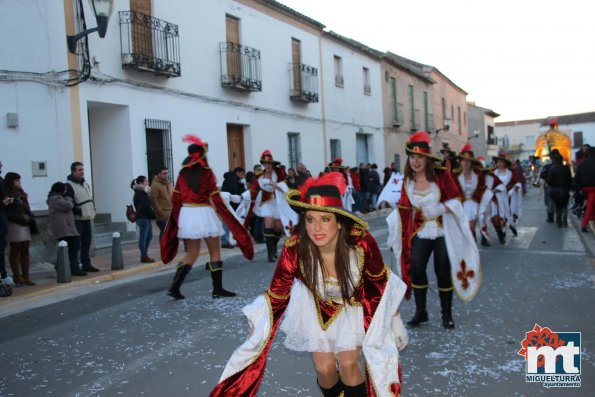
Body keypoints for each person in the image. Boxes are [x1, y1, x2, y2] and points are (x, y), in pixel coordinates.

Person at [210, 172, 408, 397]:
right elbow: (277, 293)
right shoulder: (295, 248)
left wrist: (394, 319)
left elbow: (380, 281)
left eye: (325, 219)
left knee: (348, 364)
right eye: (310, 219)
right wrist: (260, 324)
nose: (316, 228)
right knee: (324, 369)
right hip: (315, 308)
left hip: (353, 308)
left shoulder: (361, 243)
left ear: (340, 223)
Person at [387, 131, 480, 330]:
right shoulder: (408, 181)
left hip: (442, 230)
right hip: (421, 231)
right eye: (412, 157)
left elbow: (457, 198)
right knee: (417, 266)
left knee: (443, 270)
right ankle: (421, 311)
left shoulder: (440, 175)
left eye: (419, 157)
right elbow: (404, 208)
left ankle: (447, 314)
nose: (415, 161)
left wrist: (441, 208)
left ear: (427, 159)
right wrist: (394, 230)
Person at [161, 135, 253, 300]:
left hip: (187, 214)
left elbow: (175, 198)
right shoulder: (207, 173)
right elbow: (215, 197)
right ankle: (217, 289)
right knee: (215, 251)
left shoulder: (182, 173)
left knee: (192, 253)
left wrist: (177, 218)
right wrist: (225, 213)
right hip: (204, 211)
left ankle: (174, 287)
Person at [245, 150, 293, 263]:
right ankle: (270, 252)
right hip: (266, 202)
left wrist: (274, 184)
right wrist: (243, 199)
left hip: (278, 202)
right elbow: (253, 191)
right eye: (265, 164)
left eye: (269, 164)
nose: (267, 166)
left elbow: (285, 189)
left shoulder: (279, 173)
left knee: (278, 228)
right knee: (268, 221)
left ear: (272, 164)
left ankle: (274, 245)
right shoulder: (259, 177)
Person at [452, 143, 498, 245]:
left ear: (472, 163)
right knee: (464, 231)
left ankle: (471, 249)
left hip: (474, 205)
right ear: (460, 161)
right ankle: (471, 249)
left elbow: (483, 188)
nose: (465, 163)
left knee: (469, 228)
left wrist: (485, 201)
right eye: (463, 160)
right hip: (460, 205)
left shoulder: (478, 174)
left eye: (468, 161)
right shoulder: (455, 174)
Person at [47, 182, 86, 276]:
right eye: (64, 189)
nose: (66, 191)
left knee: (73, 247)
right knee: (69, 247)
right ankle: (68, 267)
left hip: (68, 227)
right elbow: (68, 206)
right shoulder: (55, 198)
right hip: (63, 228)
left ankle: (69, 266)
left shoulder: (59, 198)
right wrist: (69, 198)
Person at [66, 162, 99, 272]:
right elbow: (69, 202)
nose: (82, 172)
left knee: (87, 243)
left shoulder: (85, 184)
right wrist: (77, 210)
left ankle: (86, 263)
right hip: (77, 219)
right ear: (73, 171)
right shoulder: (69, 185)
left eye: (82, 169)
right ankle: (74, 266)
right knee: (76, 245)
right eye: (79, 170)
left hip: (87, 217)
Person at [4, 172, 35, 285]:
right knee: (15, 248)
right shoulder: (8, 194)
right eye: (16, 181)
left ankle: (26, 276)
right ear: (11, 181)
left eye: (19, 180)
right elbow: (6, 208)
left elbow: (25, 206)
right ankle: (17, 276)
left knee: (25, 248)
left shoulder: (21, 193)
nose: (19, 183)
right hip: (14, 223)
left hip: (24, 222)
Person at [491, 152, 523, 244]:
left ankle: (511, 226)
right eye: (498, 162)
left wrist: (513, 190)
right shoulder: (493, 172)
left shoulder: (511, 173)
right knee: (497, 216)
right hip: (495, 197)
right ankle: (501, 233)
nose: (499, 164)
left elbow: (517, 183)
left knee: (507, 215)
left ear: (505, 163)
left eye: (501, 162)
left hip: (507, 197)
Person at [131, 175, 157, 263]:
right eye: (146, 181)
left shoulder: (143, 192)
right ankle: (144, 256)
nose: (148, 183)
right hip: (142, 218)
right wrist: (154, 215)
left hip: (146, 217)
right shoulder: (140, 193)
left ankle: (144, 254)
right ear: (141, 183)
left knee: (149, 236)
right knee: (144, 237)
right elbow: (146, 206)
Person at [220, 167, 246, 249]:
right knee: (228, 222)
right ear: (237, 172)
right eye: (242, 173)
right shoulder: (233, 180)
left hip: (228, 203)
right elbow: (233, 192)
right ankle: (225, 241)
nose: (243, 176)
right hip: (229, 203)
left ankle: (230, 240)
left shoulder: (235, 179)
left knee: (228, 222)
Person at [546, 152, 573, 227]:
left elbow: (549, 180)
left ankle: (559, 220)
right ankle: (565, 220)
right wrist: (569, 188)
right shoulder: (566, 168)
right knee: (564, 205)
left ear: (554, 160)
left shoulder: (552, 168)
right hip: (564, 190)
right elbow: (570, 179)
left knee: (557, 206)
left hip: (555, 190)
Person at [149, 166, 173, 242]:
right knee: (165, 232)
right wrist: (160, 213)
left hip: (170, 212)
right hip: (162, 214)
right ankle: (163, 249)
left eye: (167, 173)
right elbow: (153, 200)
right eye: (164, 173)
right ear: (159, 174)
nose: (166, 175)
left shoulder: (168, 183)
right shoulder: (155, 184)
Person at [575, 146, 595, 232]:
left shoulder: (583, 163)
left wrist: (577, 189)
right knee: (591, 206)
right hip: (593, 187)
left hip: (585, 188)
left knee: (591, 205)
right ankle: (585, 224)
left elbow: (577, 177)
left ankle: (586, 223)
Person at [0, 161, 11, 283]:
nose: (2, 165)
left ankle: (3, 274)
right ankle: (2, 275)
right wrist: (3, 203)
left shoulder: (1, 179)